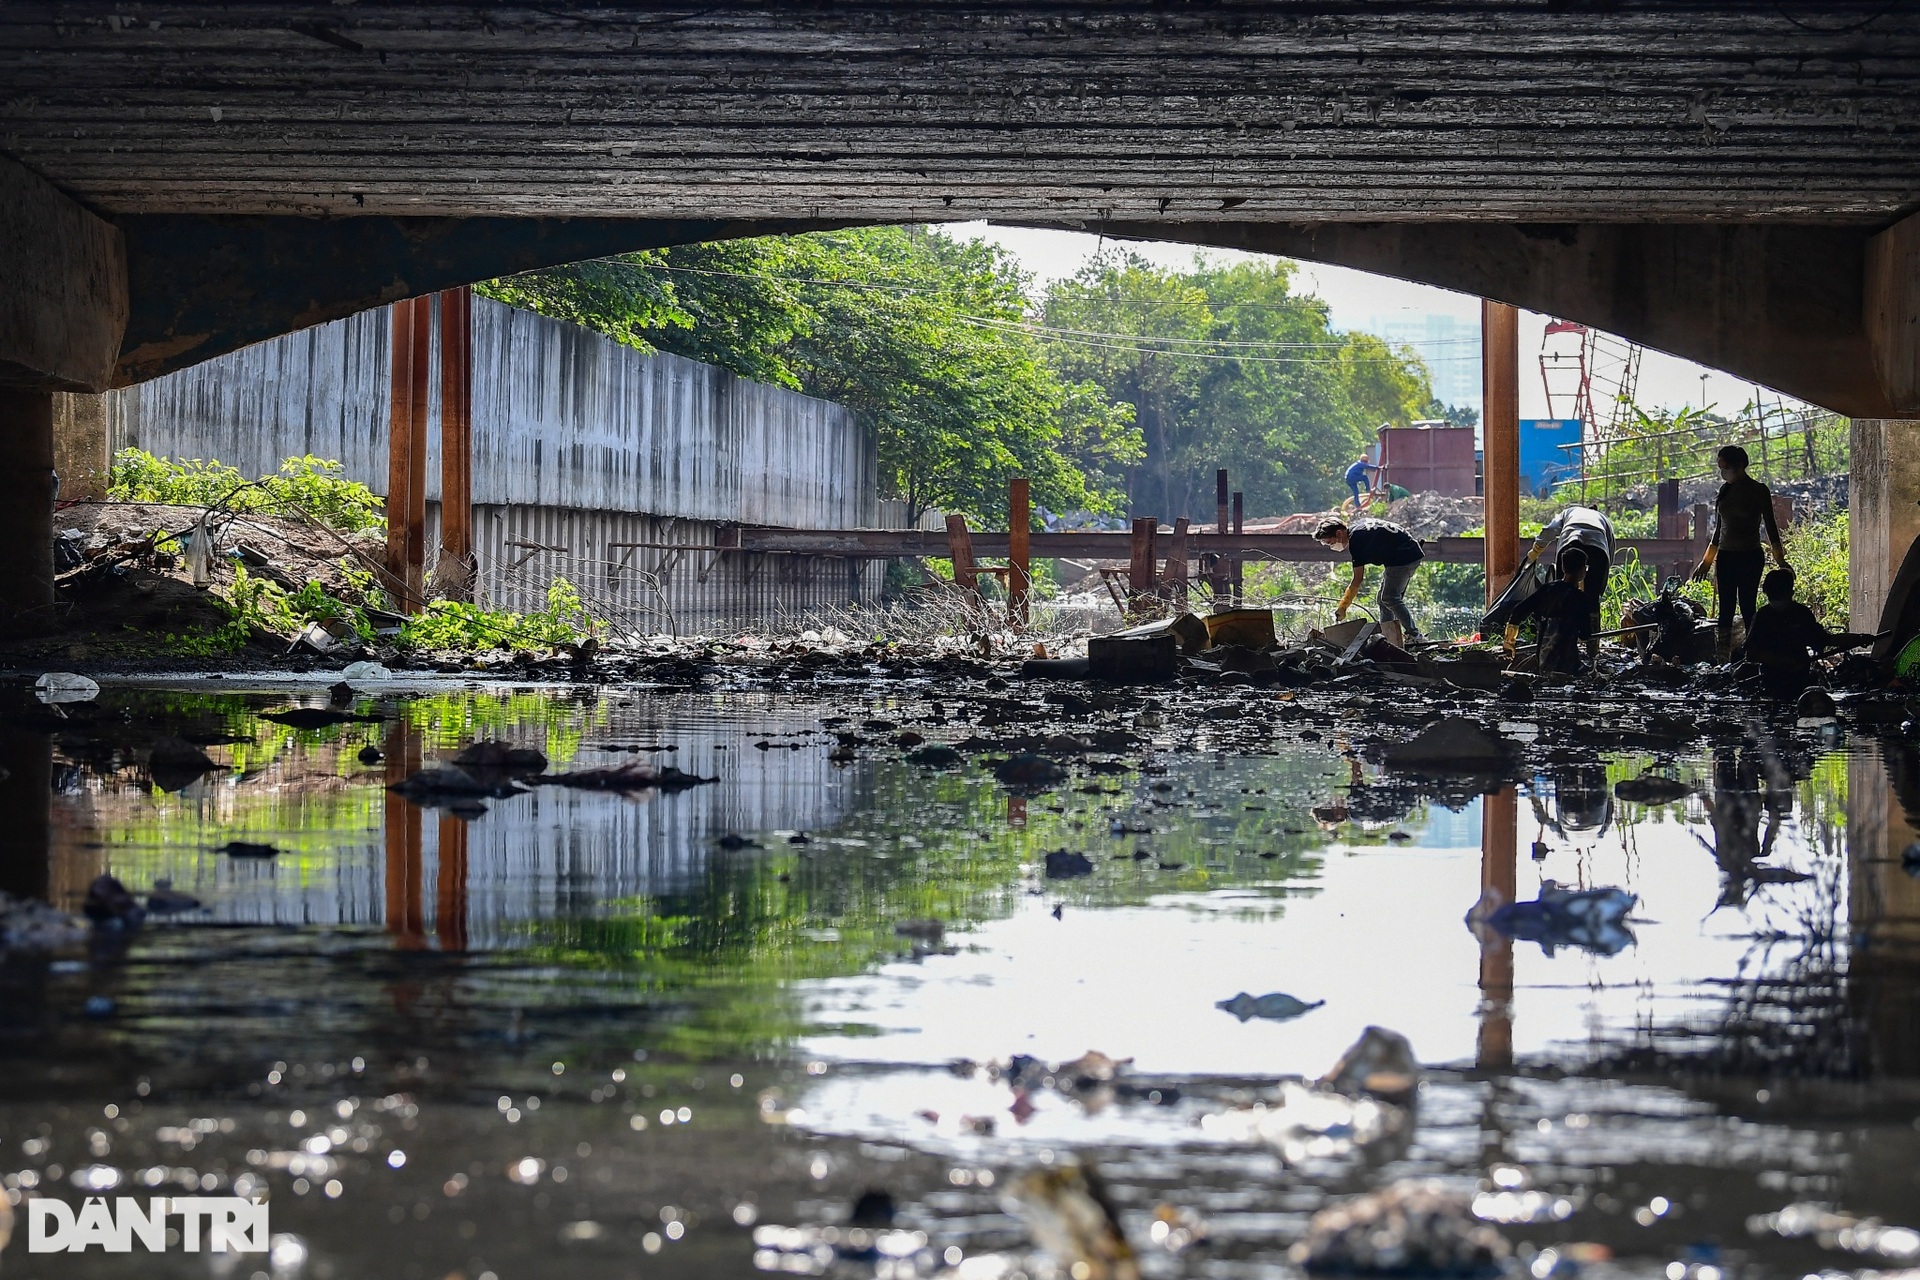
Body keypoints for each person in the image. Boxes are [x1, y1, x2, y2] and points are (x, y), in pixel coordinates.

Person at [1691, 445, 1788, 649]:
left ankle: (1752, 652)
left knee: (1747, 607)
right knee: (1725, 610)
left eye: (1724, 467)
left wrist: (1780, 560)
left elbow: (1771, 527)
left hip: (1749, 557)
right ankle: (1723, 658)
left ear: (1739, 466)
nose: (1722, 472)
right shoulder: (1725, 491)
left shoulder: (1758, 490)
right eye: (1720, 467)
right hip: (1726, 557)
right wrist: (1706, 562)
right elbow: (1719, 531)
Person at [1314, 516, 1424, 642]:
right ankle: (1388, 636)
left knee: (1390, 597)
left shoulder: (1356, 541)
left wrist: (1343, 606)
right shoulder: (1357, 527)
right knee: (1382, 600)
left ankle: (1414, 635)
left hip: (1405, 557)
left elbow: (1358, 579)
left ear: (1339, 533)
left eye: (1330, 543)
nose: (1331, 547)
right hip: (1403, 554)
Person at [1736, 567, 1834, 697]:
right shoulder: (1763, 616)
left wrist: (1859, 638)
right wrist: (1783, 662)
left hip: (1798, 678)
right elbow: (1752, 654)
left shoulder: (1801, 614)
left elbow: (1821, 640)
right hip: (1771, 679)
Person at [1526, 505, 1614, 642]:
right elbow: (1610, 546)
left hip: (1570, 542)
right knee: (1592, 597)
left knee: (1561, 592)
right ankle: (1592, 643)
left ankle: (1558, 637)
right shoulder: (1603, 518)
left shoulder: (1569, 511)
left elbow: (1550, 529)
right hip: (1598, 547)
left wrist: (1537, 549)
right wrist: (1600, 571)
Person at [1505, 546, 1597, 674]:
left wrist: (1509, 641)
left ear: (1563, 568)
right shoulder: (1579, 598)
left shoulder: (1548, 589)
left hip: (1543, 659)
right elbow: (1585, 634)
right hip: (1568, 663)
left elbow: (1518, 610)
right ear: (1582, 571)